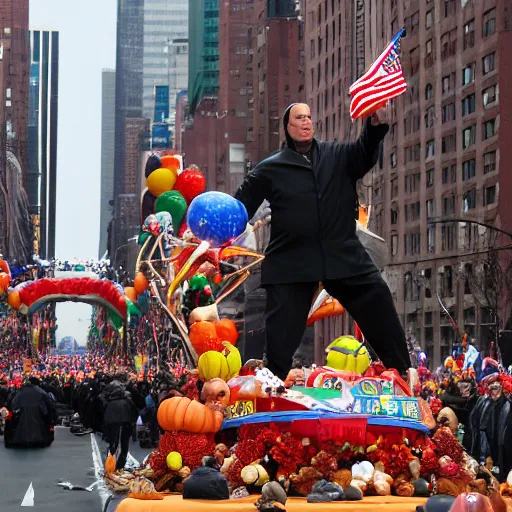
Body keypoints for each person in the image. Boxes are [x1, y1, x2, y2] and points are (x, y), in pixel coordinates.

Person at [235, 103, 410, 380]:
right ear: (287, 127)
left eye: (308, 117)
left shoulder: (337, 155)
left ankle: (402, 372)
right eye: (299, 118)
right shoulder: (269, 168)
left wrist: (376, 128)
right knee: (281, 338)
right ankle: (272, 384)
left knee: (377, 296)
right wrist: (216, 230)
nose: (305, 122)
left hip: (342, 254)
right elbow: (240, 207)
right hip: (292, 262)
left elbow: (364, 152)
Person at [4, 377, 57, 448]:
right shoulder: (41, 392)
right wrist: (51, 422)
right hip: (40, 435)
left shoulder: (18, 392)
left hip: (18, 435)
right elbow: (51, 408)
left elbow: (11, 408)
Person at [101, 380, 138, 471]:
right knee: (124, 444)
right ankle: (120, 464)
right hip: (126, 424)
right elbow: (135, 412)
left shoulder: (108, 401)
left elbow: (103, 414)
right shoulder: (128, 401)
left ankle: (111, 464)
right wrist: (132, 423)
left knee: (113, 443)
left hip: (112, 424)